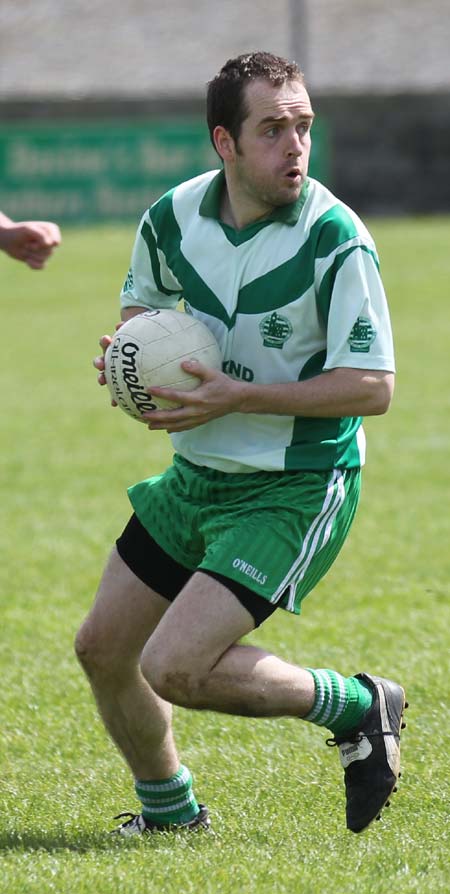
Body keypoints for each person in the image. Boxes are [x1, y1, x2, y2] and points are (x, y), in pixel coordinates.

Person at [76, 51, 407, 837]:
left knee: (176, 665)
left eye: (304, 127)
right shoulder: (171, 218)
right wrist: (127, 363)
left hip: (292, 482)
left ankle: (362, 705)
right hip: (196, 477)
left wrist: (241, 395)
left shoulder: (335, 238)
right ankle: (171, 813)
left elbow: (373, 388)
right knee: (103, 649)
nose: (295, 146)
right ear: (224, 143)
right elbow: (142, 321)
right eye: (273, 130)